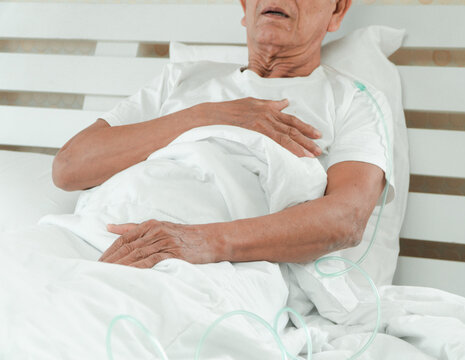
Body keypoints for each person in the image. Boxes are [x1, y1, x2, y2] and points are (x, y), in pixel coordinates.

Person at [51, 0, 392, 269]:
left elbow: (346, 219)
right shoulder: (183, 79)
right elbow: (69, 167)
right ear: (245, 6)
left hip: (212, 266)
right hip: (91, 237)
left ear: (337, 9)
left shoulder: (354, 100)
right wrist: (208, 116)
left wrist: (199, 242)